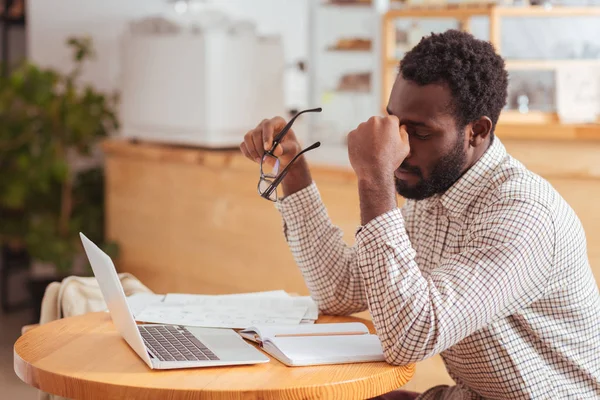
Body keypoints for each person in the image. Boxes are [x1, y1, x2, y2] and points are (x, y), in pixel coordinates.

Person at [240, 30, 600, 399]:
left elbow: (410, 337)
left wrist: (375, 176)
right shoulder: (435, 188)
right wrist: (293, 167)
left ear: (476, 131)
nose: (400, 147)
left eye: (421, 133)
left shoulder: (524, 216)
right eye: (396, 124)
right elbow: (341, 291)